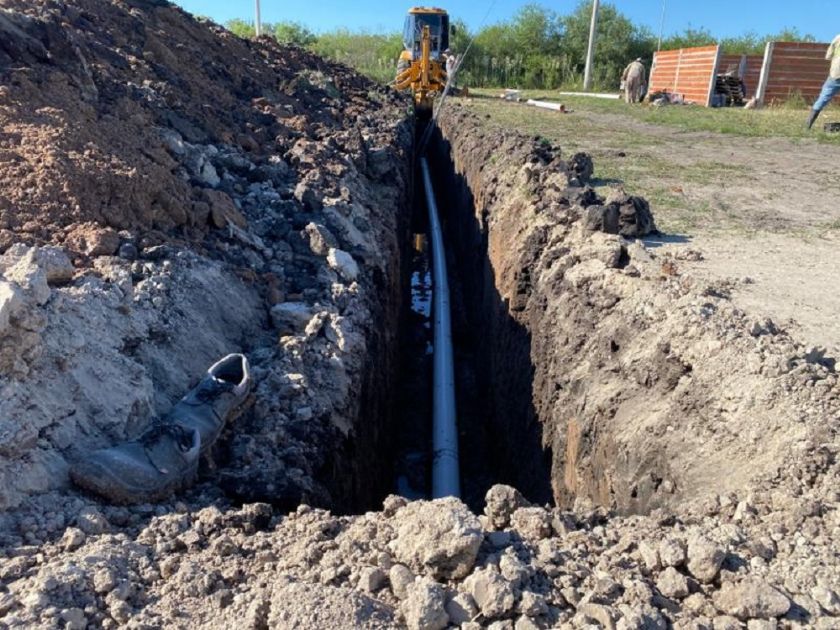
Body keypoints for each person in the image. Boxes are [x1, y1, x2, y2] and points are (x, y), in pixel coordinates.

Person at [807, 34, 840, 129]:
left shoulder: (838, 37)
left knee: (823, 97)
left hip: (835, 73)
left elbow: (828, 56)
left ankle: (808, 124)